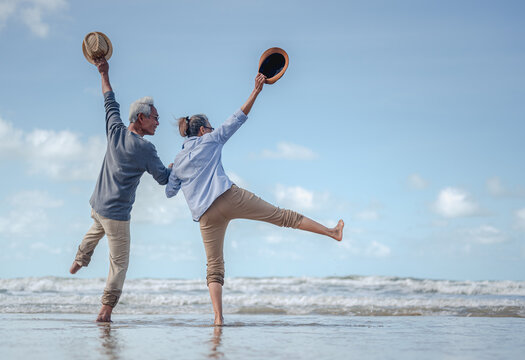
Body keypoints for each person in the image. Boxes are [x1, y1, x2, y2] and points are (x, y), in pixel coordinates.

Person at [165, 73, 344, 325]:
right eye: (211, 127)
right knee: (283, 216)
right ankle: (331, 232)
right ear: (204, 130)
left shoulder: (179, 160)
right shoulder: (211, 139)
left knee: (213, 267)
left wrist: (171, 168)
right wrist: (256, 91)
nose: (214, 129)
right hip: (228, 197)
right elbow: (238, 118)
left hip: (205, 215)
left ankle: (218, 318)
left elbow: (170, 191)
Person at [69, 57, 172, 322]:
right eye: (156, 118)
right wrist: (175, 167)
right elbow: (163, 179)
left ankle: (80, 258)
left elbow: (109, 100)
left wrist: (103, 72)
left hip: (98, 204)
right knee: (120, 264)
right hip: (117, 215)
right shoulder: (146, 149)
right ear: (141, 117)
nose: (158, 123)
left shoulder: (114, 129)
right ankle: (105, 310)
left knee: (95, 229)